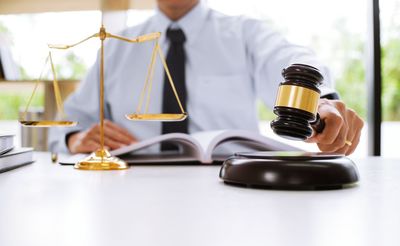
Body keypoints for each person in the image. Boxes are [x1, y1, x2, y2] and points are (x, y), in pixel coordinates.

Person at [48, 0, 364, 156]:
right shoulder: (117, 47)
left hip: (233, 187)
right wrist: (74, 139)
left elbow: (290, 60)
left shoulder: (244, 33)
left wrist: (320, 102)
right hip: (130, 186)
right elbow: (70, 123)